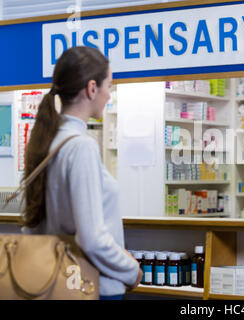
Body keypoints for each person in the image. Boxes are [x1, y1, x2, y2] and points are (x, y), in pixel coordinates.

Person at [22, 46, 142, 299]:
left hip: (56, 284)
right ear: (91, 89)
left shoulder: (47, 142)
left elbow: (32, 227)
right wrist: (132, 271)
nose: (109, 95)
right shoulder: (81, 146)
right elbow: (92, 238)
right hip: (93, 287)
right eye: (109, 86)